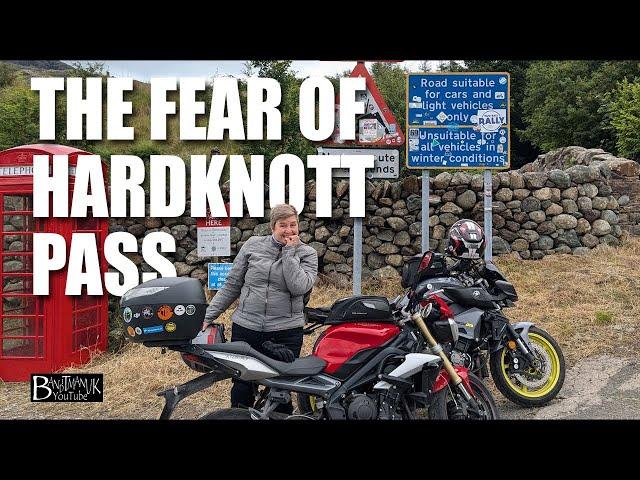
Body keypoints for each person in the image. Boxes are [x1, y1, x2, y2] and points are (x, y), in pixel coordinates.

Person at [201, 203, 318, 413]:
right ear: (273, 226)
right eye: (283, 225)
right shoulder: (253, 245)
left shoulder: (307, 253)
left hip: (285, 332)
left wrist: (290, 253)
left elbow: (298, 286)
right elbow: (232, 285)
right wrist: (209, 316)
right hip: (247, 328)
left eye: (293, 225)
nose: (289, 230)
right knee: (242, 386)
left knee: (281, 388)